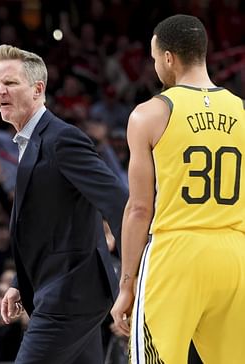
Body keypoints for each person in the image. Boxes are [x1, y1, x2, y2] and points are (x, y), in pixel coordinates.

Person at [110, 14, 245, 363]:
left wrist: (127, 283)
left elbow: (139, 209)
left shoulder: (149, 114)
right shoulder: (242, 111)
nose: (155, 66)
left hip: (177, 253)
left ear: (168, 58)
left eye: (155, 58)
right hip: (235, 255)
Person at [0, 44, 128, 363]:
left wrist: (132, 278)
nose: (0, 92)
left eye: (10, 83)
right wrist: (19, 283)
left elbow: (118, 202)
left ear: (38, 89)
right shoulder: (30, 141)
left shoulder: (61, 139)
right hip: (64, 290)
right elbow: (42, 228)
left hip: (71, 295)